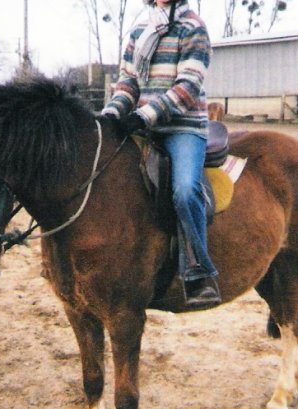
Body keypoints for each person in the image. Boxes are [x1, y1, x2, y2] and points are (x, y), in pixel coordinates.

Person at [102, 0, 221, 308]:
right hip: (146, 125)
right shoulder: (140, 30)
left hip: (184, 127)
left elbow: (188, 86)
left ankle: (199, 273)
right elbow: (127, 82)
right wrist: (112, 114)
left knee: (184, 190)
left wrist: (146, 115)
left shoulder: (193, 28)